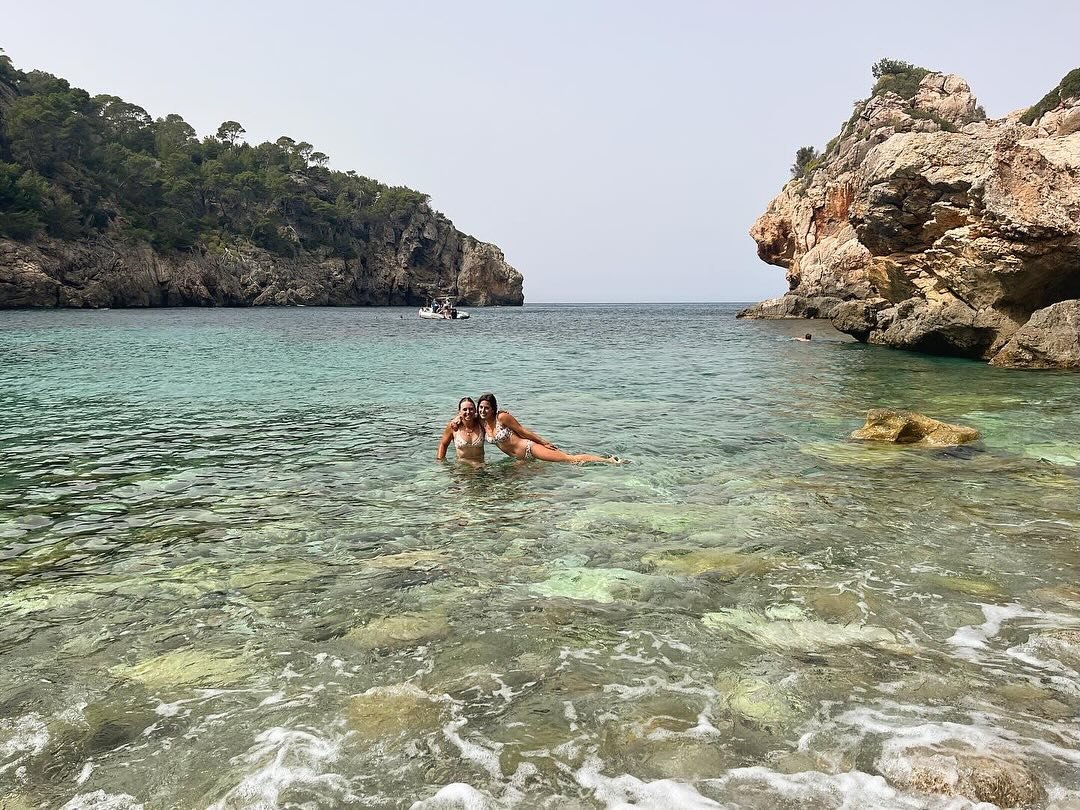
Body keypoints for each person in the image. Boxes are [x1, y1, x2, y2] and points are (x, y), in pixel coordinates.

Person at [476, 393, 624, 464]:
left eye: (486, 408)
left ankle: (609, 461)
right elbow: (463, 416)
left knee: (569, 460)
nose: (483, 410)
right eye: (481, 407)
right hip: (519, 459)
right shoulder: (481, 422)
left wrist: (544, 442)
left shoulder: (501, 417)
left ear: (493, 408)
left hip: (529, 449)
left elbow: (523, 431)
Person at [436, 397, 486, 462]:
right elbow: (443, 444)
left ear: (475, 410)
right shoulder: (453, 427)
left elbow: (492, 420)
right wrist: (440, 462)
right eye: (465, 409)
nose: (468, 412)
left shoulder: (481, 424)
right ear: (459, 411)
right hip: (461, 467)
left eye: (471, 409)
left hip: (480, 466)